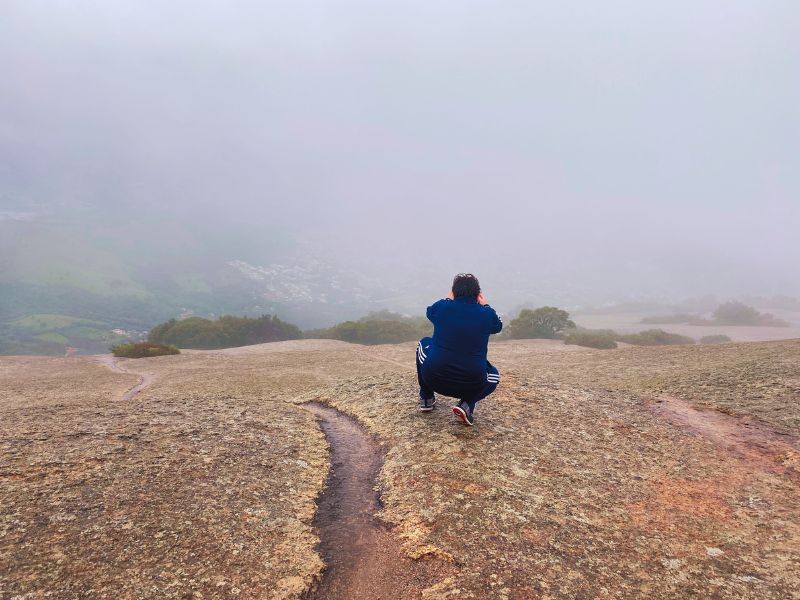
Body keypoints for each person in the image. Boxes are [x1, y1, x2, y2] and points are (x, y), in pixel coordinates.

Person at [416, 273, 502, 426]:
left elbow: (429, 311)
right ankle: (467, 404)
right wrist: (486, 305)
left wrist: (448, 299)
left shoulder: (442, 307)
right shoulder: (486, 314)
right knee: (494, 375)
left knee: (423, 343)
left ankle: (426, 397)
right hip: (470, 384)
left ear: (454, 292)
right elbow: (498, 326)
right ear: (478, 295)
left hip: (434, 378)